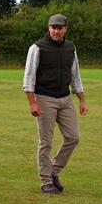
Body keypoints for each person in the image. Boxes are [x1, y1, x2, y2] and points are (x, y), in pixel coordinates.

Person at [23, 14, 88, 194]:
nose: (56, 31)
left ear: (66, 29)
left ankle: (53, 170)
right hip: (44, 98)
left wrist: (82, 99)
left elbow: (76, 76)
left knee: (73, 137)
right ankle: (46, 181)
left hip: (66, 99)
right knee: (46, 142)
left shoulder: (70, 48)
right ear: (48, 27)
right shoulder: (37, 48)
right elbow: (29, 78)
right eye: (53, 27)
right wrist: (32, 103)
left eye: (59, 28)